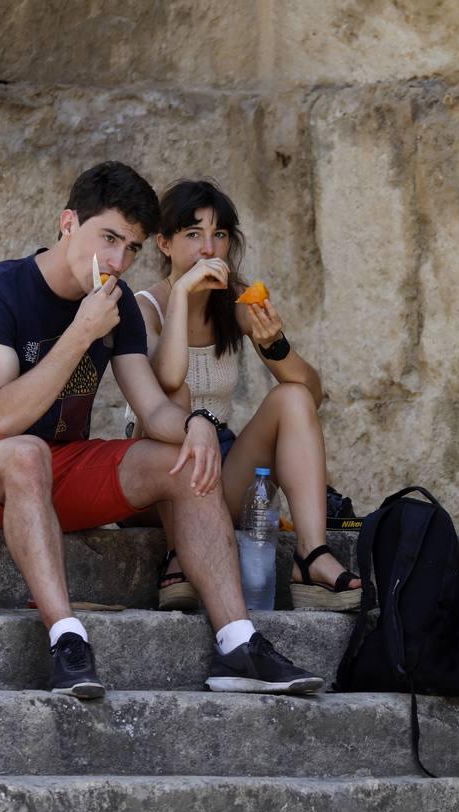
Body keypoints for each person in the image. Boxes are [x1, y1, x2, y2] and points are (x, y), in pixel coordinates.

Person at [0, 161, 322, 699]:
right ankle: (67, 641)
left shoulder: (117, 303)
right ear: (68, 224)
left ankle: (237, 642)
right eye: (107, 239)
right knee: (24, 453)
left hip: (59, 468)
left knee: (181, 459)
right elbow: (2, 418)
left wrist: (198, 425)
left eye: (132, 247)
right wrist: (80, 332)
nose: (117, 260)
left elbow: (155, 411)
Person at [123, 179, 360, 612]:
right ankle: (179, 553)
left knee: (290, 398)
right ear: (164, 243)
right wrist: (180, 293)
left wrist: (276, 345)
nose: (209, 249)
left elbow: (311, 393)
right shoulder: (144, 308)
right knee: (181, 395)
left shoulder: (234, 303)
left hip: (218, 472)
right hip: (152, 480)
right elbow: (167, 380)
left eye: (220, 235)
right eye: (193, 235)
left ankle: (311, 555)